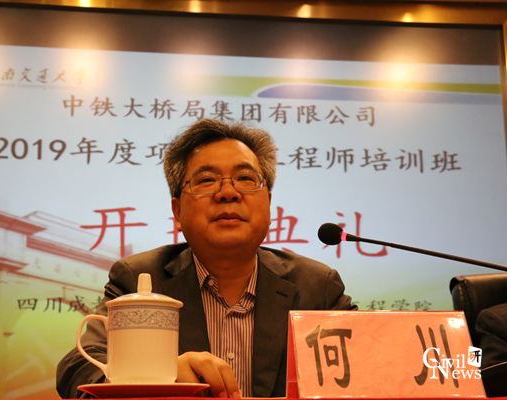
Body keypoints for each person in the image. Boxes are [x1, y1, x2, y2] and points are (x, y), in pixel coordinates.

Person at [56, 119, 356, 398]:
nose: (228, 193)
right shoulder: (140, 277)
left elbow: (367, 366)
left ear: (268, 203)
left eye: (245, 178)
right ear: (177, 213)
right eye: (207, 180)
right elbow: (78, 367)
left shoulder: (317, 287)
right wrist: (156, 376)